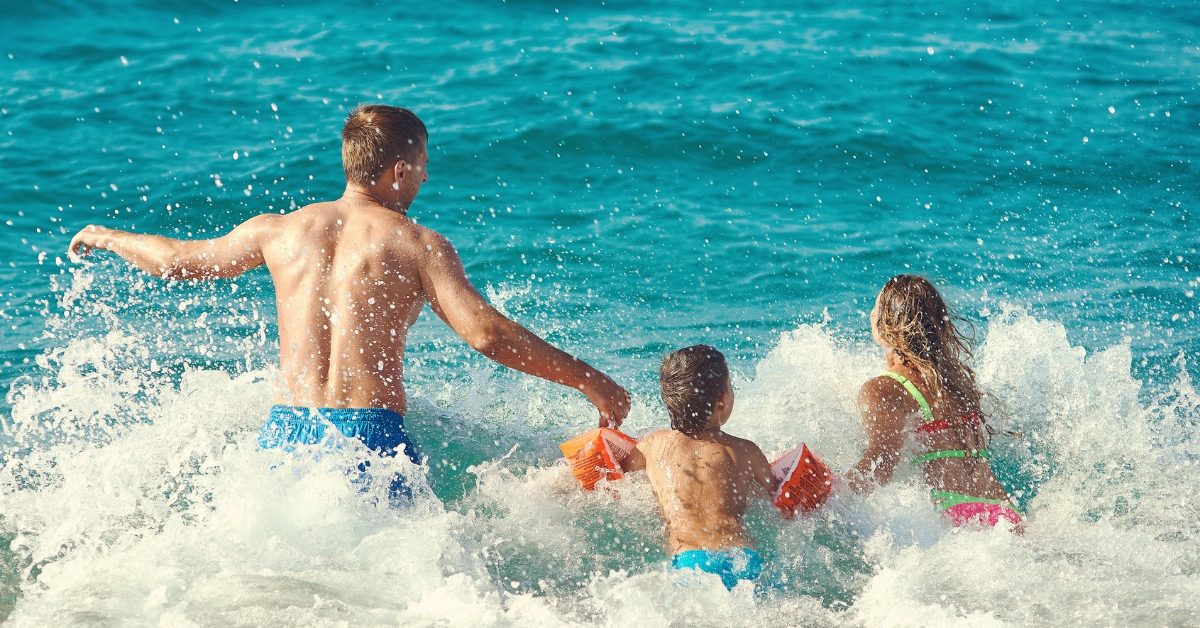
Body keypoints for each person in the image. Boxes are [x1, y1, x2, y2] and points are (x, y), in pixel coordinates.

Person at [68, 104, 631, 500]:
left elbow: (178, 263)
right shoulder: (418, 244)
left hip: (286, 431)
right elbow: (484, 333)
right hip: (370, 436)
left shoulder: (278, 229)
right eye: (425, 165)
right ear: (400, 170)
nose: (427, 176)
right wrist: (587, 379)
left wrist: (107, 236)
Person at [847, 275, 1021, 528]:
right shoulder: (957, 381)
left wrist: (834, 494)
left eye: (875, 307)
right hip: (1005, 513)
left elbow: (882, 461)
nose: (870, 313)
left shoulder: (884, 389)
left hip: (953, 511)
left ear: (885, 323)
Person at [620, 345, 778, 590]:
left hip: (689, 560)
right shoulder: (746, 451)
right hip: (742, 557)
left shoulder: (652, 446)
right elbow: (778, 494)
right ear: (722, 401)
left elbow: (617, 477)